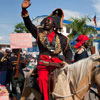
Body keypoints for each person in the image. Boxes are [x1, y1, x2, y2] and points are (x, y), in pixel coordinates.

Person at [21, 0, 72, 100]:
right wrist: (24, 11)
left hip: (58, 63)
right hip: (43, 63)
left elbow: (68, 51)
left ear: (54, 24)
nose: (46, 22)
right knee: (42, 79)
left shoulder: (63, 38)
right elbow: (29, 25)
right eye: (45, 20)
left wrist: (67, 62)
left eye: (48, 21)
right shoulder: (39, 32)